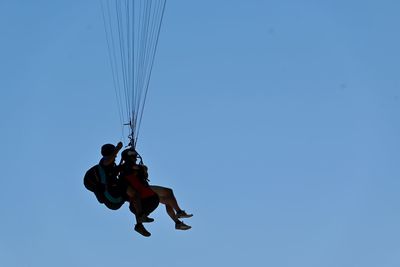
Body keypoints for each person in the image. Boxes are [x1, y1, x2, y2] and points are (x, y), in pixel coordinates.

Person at [120, 148, 193, 231]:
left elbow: (142, 172)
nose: (136, 158)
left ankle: (178, 223)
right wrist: (142, 168)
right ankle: (179, 212)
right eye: (134, 157)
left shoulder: (127, 167)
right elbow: (138, 169)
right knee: (169, 191)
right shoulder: (128, 165)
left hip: (141, 189)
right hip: (142, 190)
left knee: (168, 200)